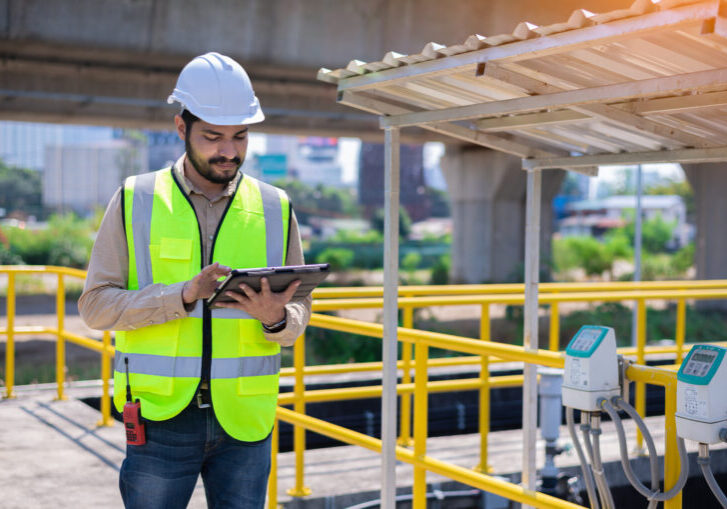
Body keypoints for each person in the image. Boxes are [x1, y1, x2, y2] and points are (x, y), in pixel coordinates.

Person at [79, 52, 311, 509]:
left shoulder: (275, 207)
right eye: (213, 137)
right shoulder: (134, 199)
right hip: (160, 419)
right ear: (181, 128)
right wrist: (181, 296)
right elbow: (95, 307)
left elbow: (299, 315)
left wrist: (276, 319)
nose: (229, 151)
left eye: (240, 136)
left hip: (245, 421)